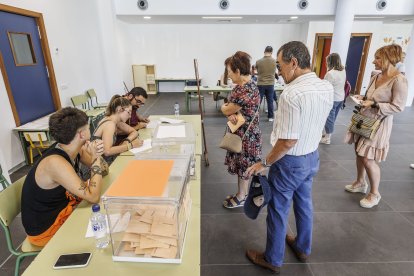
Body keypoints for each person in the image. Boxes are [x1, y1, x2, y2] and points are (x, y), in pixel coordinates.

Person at [245, 41, 333, 273]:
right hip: (312, 156)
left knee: (277, 208)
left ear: (293, 63)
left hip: (290, 161)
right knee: (304, 203)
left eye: (281, 66)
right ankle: (303, 247)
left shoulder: (291, 94)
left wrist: (264, 163)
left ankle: (273, 259)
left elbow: (287, 141)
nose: (279, 72)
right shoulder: (325, 87)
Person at [21, 107, 107, 246]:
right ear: (81, 134)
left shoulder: (72, 148)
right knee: (101, 220)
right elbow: (93, 197)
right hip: (46, 229)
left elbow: (104, 170)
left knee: (102, 209)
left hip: (63, 207)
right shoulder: (55, 163)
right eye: (88, 126)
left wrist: (95, 154)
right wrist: (95, 158)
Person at [344, 44, 408, 208]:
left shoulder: (399, 80)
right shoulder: (376, 75)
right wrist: (363, 98)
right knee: (358, 152)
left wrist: (374, 104)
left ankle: (375, 193)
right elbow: (370, 96)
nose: (374, 61)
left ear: (389, 58)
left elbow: (398, 107)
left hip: (379, 124)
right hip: (364, 119)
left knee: (368, 158)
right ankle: (360, 182)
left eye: (378, 58)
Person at [221, 51, 262, 209]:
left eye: (230, 71)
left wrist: (227, 110)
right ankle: (241, 194)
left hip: (246, 136)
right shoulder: (245, 85)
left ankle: (242, 197)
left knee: (244, 167)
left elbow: (226, 108)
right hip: (242, 131)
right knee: (241, 166)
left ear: (238, 71)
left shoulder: (246, 89)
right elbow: (232, 109)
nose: (229, 75)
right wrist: (231, 112)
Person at [93, 95, 142, 165]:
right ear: (119, 109)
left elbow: (134, 132)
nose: (130, 116)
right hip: (101, 164)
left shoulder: (116, 121)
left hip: (105, 161)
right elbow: (107, 151)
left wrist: (126, 140)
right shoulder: (110, 124)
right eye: (129, 112)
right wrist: (131, 145)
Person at [320, 53, 347, 144]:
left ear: (330, 62)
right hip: (340, 97)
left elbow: (325, 88)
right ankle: (326, 134)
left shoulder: (330, 73)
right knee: (333, 118)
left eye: (327, 61)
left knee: (329, 118)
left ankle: (327, 138)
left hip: (332, 99)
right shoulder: (342, 70)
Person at [256, 46, 277, 122]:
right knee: (270, 101)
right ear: (271, 52)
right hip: (270, 84)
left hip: (261, 83)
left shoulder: (258, 61)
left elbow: (258, 72)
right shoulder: (275, 61)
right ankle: (270, 117)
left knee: (258, 101)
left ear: (264, 51)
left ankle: (255, 116)